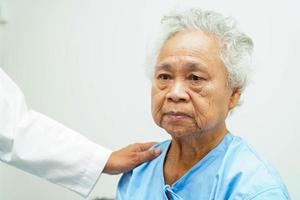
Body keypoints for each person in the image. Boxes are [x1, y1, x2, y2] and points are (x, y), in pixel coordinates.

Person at [117, 8, 291, 199]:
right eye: (164, 76)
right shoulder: (139, 170)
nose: (175, 93)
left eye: (195, 78)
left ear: (233, 94)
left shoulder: (255, 188)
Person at [0, 68, 161, 197]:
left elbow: (13, 124)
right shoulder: (136, 180)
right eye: (164, 77)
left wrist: (103, 159)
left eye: (188, 77)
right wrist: (103, 160)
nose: (176, 93)